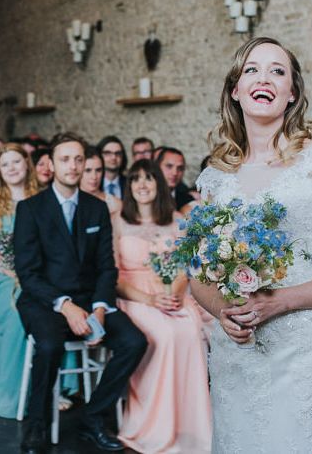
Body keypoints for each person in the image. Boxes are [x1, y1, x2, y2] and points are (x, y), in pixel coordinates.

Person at [192, 36, 312, 453]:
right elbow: (198, 276)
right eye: (252, 70)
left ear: (292, 93)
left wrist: (279, 302)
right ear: (236, 90)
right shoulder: (215, 178)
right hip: (237, 353)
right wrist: (225, 312)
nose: (265, 78)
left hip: (308, 349)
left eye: (278, 71)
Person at [14, 132, 147, 454]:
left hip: (92, 300)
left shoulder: (96, 208)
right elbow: (28, 274)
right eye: (65, 159)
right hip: (45, 302)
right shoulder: (30, 209)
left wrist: (100, 306)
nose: (73, 166)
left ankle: (93, 416)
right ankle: (36, 426)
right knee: (49, 346)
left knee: (134, 342)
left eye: (78, 159)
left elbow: (106, 266)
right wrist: (66, 306)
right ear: (51, 164)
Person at [113, 159, 212, 453]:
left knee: (190, 329)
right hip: (134, 296)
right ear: (129, 186)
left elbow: (186, 266)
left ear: (159, 184)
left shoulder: (174, 220)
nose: (142, 185)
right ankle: (152, 424)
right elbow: (112, 274)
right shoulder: (117, 220)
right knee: (165, 333)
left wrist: (174, 293)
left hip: (172, 293)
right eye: (135, 179)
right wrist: (150, 300)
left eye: (149, 178)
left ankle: (188, 426)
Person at [0, 143, 38, 418]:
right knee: (17, 313)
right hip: (0, 276)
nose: (12, 168)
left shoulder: (41, 197)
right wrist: (15, 274)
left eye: (16, 162)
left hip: (35, 274)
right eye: (5, 164)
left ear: (27, 164)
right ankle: (9, 399)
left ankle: (53, 389)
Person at [80, 146, 122, 215]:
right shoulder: (70, 202)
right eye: (88, 170)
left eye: (98, 170)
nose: (94, 176)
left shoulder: (115, 205)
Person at [156, 146, 195, 212]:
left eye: (180, 168)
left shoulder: (187, 200)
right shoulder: (145, 197)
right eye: (169, 166)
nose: (175, 173)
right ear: (157, 167)